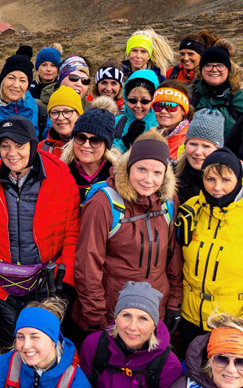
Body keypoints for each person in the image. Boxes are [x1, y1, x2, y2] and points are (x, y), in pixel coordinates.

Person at [0, 117, 81, 350]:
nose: (12, 153)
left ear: (33, 144)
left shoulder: (60, 179)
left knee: (48, 351)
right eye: (5, 145)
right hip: (3, 287)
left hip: (47, 287)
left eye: (19, 145)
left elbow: (72, 236)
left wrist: (65, 284)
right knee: (10, 349)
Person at [174, 149, 243, 353]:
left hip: (233, 323)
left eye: (226, 179)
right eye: (210, 179)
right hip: (190, 318)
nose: (217, 187)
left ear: (238, 179)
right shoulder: (191, 210)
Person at [73, 134, 181, 338]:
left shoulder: (168, 203)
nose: (149, 180)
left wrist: (174, 302)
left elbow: (173, 257)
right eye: (141, 169)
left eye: (157, 172)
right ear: (128, 168)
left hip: (154, 309)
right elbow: (87, 266)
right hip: (112, 312)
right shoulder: (103, 204)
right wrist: (96, 317)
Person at [190, 46, 243, 147]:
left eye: (220, 65)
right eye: (208, 65)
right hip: (195, 154)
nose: (214, 70)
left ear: (228, 69)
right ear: (201, 69)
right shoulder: (189, 94)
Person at [60, 108, 117, 201]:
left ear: (106, 145)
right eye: (81, 138)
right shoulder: (61, 174)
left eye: (95, 140)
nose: (86, 145)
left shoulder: (117, 177)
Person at [173, 109, 227, 200]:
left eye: (206, 146)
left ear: (218, 149)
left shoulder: (229, 180)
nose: (198, 152)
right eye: (193, 144)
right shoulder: (171, 174)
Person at [0, 49, 41, 132]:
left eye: (22, 80)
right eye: (11, 78)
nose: (16, 85)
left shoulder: (38, 113)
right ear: (2, 81)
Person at [113, 70, 161, 150]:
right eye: (133, 100)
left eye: (144, 101)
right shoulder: (116, 122)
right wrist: (125, 141)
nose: (138, 106)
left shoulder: (162, 124)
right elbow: (104, 153)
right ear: (126, 98)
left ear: (153, 100)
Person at [41, 85, 81, 156]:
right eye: (55, 112)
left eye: (67, 112)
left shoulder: (88, 147)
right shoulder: (42, 148)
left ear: (79, 114)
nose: (61, 117)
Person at [152, 86, 190, 159]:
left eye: (171, 106)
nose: (163, 111)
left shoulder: (190, 138)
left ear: (183, 110)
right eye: (158, 106)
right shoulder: (149, 134)